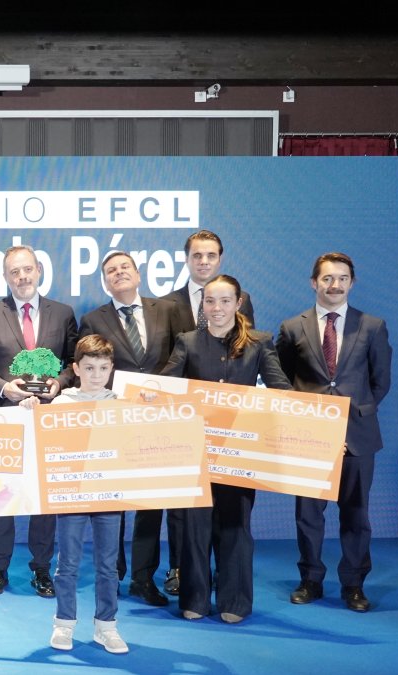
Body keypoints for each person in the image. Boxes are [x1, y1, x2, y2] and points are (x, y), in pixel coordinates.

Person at [161, 274, 291, 623]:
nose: (216, 308)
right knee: (194, 528)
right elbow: (162, 389)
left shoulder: (260, 343)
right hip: (196, 453)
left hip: (240, 454)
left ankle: (234, 601)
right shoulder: (186, 341)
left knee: (235, 527)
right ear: (202, 305)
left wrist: (318, 430)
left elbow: (282, 391)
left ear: (238, 303)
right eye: (209, 301)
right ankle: (195, 599)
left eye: (224, 301)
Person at [277, 252, 391, 613]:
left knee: (356, 515)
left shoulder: (372, 326)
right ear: (314, 283)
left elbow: (380, 380)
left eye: (342, 278)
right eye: (327, 278)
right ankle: (311, 579)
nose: (335, 285)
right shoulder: (292, 327)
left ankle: (354, 585)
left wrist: (353, 415)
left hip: (357, 438)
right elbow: (283, 378)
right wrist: (309, 420)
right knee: (308, 515)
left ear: (351, 283)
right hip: (308, 439)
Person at [0, 245, 77, 599]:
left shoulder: (63, 313)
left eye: (27, 270)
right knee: (1, 498)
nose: (22, 277)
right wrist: (4, 388)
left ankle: (42, 569)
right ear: (6, 277)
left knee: (43, 500)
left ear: (39, 270)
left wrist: (60, 382)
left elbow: (76, 360)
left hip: (48, 419)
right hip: (4, 418)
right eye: (14, 272)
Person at [77, 251, 182, 607]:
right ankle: (113, 573)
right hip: (112, 422)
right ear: (105, 281)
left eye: (125, 268)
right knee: (113, 503)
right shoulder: (92, 319)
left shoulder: (166, 310)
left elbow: (181, 359)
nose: (118, 273)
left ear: (138, 275)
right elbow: (88, 371)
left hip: (158, 422)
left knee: (151, 504)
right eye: (110, 271)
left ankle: (143, 577)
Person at [158, 229, 256, 596]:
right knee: (187, 518)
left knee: (233, 520)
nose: (217, 308)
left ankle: (231, 590)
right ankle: (185, 580)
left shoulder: (251, 328)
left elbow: (256, 366)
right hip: (190, 434)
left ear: (236, 303)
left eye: (211, 255)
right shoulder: (170, 308)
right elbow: (169, 371)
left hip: (235, 438)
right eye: (197, 255)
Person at [21, 334, 129, 654]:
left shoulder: (121, 403)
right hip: (72, 495)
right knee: (67, 563)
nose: (96, 375)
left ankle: (106, 626)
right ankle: (64, 623)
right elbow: (41, 440)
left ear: (111, 368)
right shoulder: (62, 402)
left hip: (109, 495)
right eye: (89, 368)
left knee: (108, 565)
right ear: (76, 368)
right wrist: (30, 410)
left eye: (103, 368)